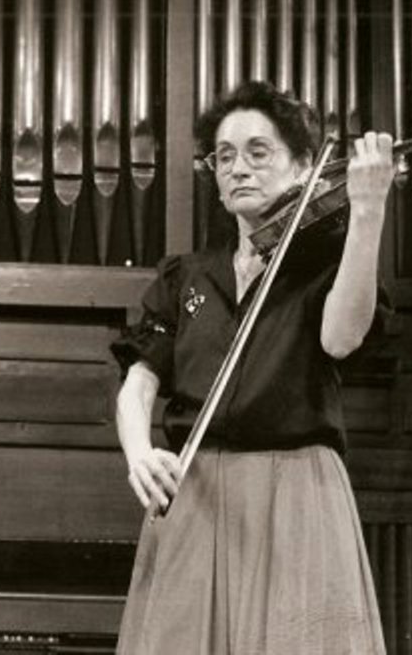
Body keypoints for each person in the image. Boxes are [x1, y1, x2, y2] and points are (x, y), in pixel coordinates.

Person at [113, 81, 391, 654]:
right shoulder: (186, 276)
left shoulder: (329, 262)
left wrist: (367, 213)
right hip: (196, 493)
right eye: (224, 156)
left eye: (258, 152)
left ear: (305, 166)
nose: (238, 168)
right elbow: (139, 380)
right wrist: (139, 452)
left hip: (295, 489)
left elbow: (341, 339)